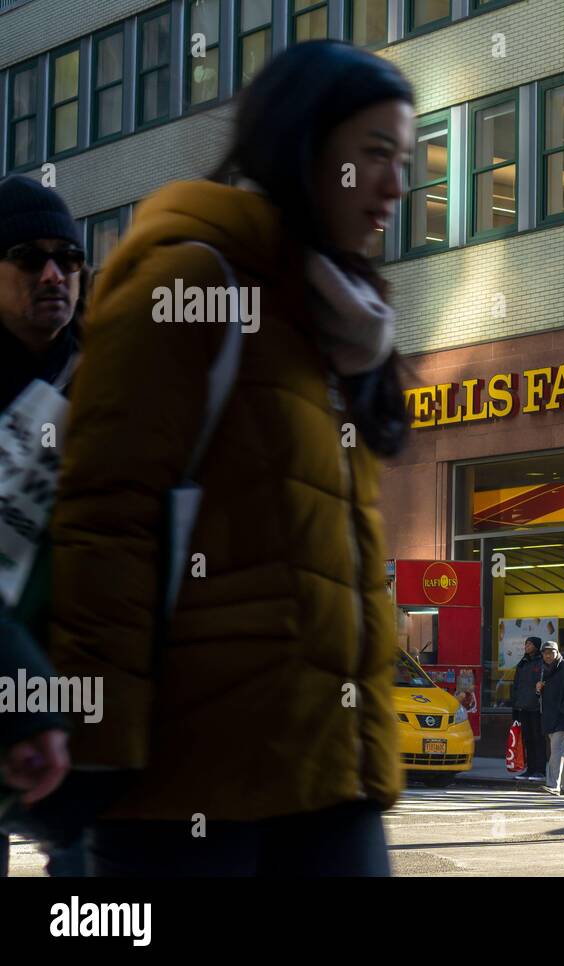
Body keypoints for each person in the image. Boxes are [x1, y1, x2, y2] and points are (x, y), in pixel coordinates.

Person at [47, 41, 415, 876]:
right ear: (302, 148)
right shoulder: (189, 283)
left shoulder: (333, 324)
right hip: (197, 791)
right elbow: (107, 521)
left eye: (404, 159)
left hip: (331, 772)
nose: (396, 185)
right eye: (373, 157)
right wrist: (95, 751)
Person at [0, 176, 94, 877]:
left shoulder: (110, 384)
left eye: (68, 256)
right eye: (29, 257)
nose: (55, 272)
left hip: (81, 709)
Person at [538, 642, 564, 796]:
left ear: (557, 652)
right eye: (545, 653)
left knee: (556, 749)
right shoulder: (544, 669)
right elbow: (543, 694)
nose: (548, 655)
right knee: (563, 751)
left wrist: (563, 709)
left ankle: (553, 784)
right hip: (549, 716)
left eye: (551, 652)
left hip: (563, 717)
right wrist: (539, 690)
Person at [510, 637, 548, 781]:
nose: (526, 646)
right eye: (526, 643)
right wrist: (515, 705)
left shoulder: (541, 662)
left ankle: (540, 770)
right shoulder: (523, 663)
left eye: (530, 644)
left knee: (538, 739)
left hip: (536, 707)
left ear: (536, 646)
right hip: (523, 706)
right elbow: (516, 685)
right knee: (527, 739)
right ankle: (530, 769)